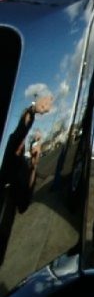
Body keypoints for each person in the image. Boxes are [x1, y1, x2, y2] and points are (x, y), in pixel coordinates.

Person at [0, 94, 53, 262]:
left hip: (5, 225)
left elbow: (24, 203)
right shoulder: (9, 158)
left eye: (25, 143)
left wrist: (34, 166)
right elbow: (19, 132)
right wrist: (33, 110)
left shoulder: (23, 165)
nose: (21, 142)